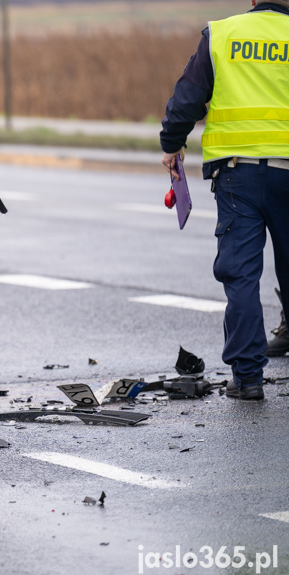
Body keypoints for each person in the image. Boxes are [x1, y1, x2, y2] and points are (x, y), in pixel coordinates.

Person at [160, 0, 289, 400]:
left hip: (238, 175)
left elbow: (189, 97)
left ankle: (248, 378)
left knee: (242, 275)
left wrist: (172, 143)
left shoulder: (221, 34)